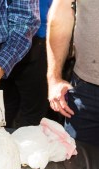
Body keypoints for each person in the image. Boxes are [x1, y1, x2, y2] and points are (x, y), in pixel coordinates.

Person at [47, 0, 99, 146]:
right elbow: (61, 14)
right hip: (86, 92)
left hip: (85, 91)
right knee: (77, 164)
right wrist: (54, 77)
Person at [0, 0, 52, 128]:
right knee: (32, 114)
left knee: (8, 105)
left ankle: (3, 144)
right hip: (37, 38)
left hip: (10, 39)